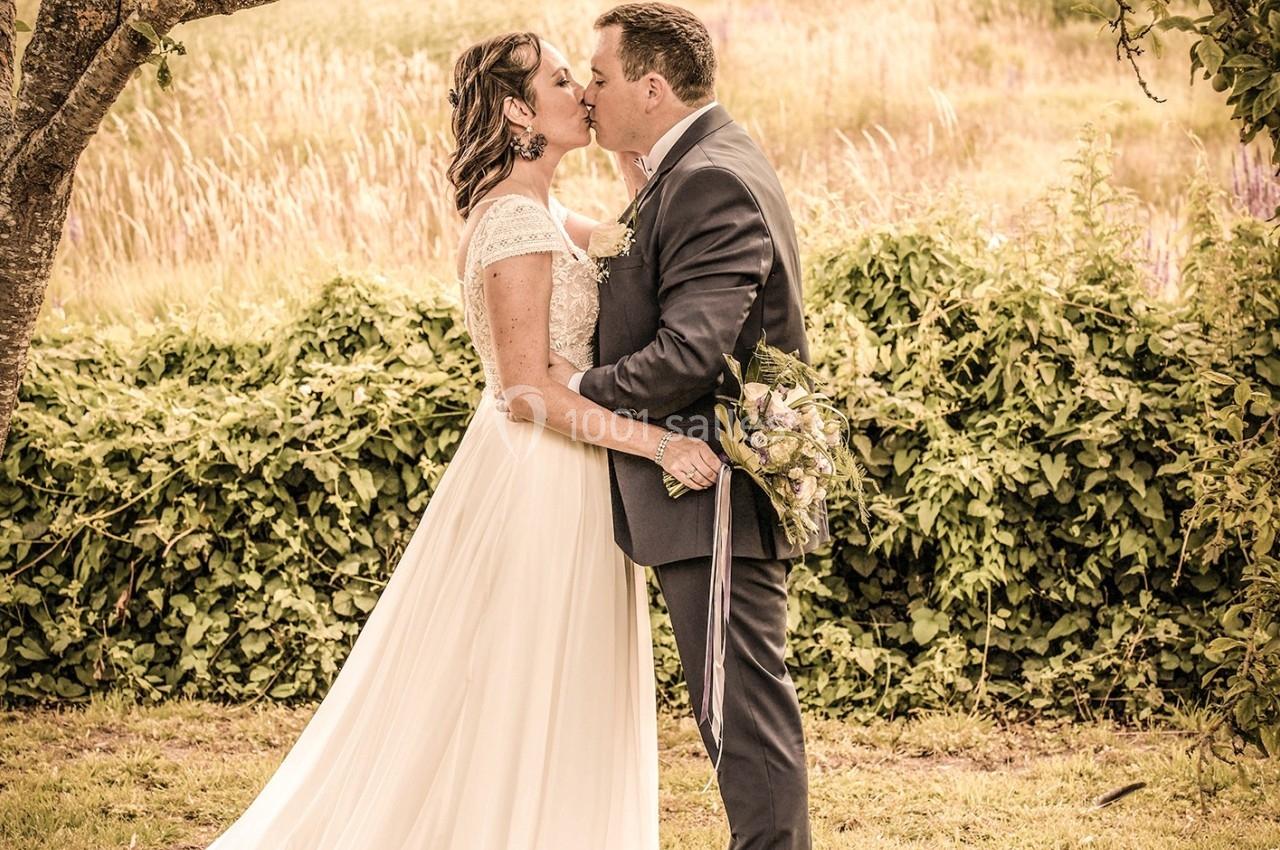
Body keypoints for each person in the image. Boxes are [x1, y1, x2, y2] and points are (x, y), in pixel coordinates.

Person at [204, 30, 722, 850]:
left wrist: (634, 166)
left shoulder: (544, 209)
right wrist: (659, 446)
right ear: (520, 109)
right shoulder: (514, 220)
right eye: (562, 80)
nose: (582, 92)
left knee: (562, 679)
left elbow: (628, 253)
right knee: (522, 679)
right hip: (538, 480)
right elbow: (524, 389)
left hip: (576, 473)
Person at [548, 4, 831, 849]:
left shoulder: (707, 176)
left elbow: (686, 357)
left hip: (718, 492)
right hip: (707, 493)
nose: (590, 94)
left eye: (599, 77)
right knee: (734, 713)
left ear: (653, 86)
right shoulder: (692, 164)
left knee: (742, 718)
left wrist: (575, 387)